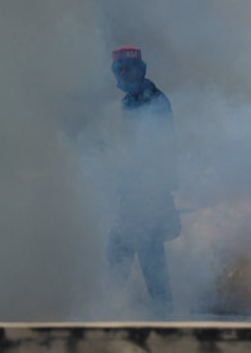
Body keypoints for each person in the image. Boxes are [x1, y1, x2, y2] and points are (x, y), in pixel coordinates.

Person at [107, 46, 180, 316]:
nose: (123, 73)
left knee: (139, 251)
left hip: (150, 190)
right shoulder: (128, 102)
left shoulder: (153, 101)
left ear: (140, 70)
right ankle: (113, 305)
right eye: (119, 69)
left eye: (128, 68)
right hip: (136, 191)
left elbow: (157, 149)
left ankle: (114, 305)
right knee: (130, 249)